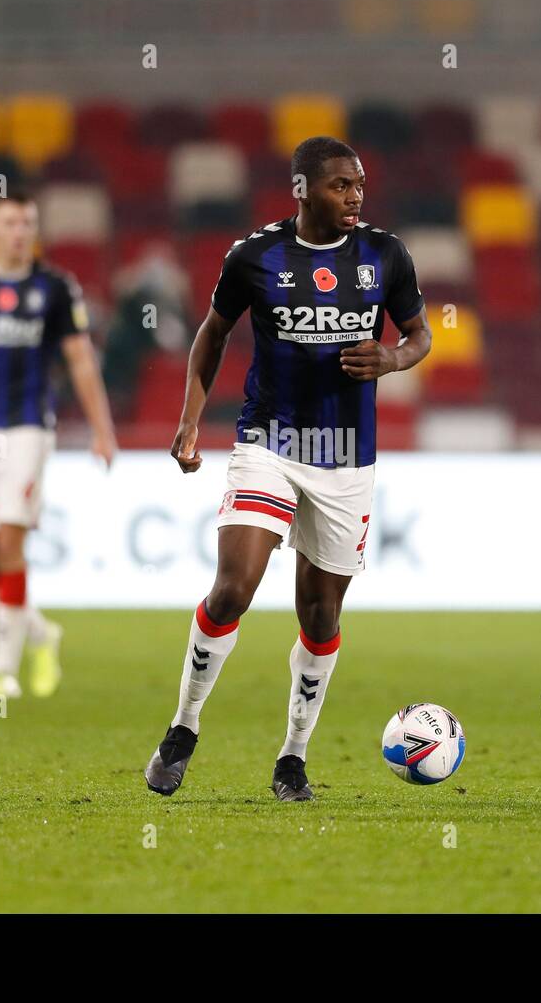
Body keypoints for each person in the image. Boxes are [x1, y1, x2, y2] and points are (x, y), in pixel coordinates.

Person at [144, 136, 431, 801]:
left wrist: (392, 359)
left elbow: (420, 336)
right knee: (233, 587)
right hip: (267, 444)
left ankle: (292, 758)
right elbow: (212, 333)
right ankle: (183, 727)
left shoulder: (386, 256)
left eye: (359, 185)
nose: (355, 196)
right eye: (340, 186)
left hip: (347, 462)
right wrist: (190, 418)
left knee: (321, 617)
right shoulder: (255, 257)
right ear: (304, 190)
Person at [0, 190, 117, 699]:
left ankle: (4, 671)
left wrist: (102, 429)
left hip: (29, 427)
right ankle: (41, 632)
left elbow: (80, 360)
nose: (20, 232)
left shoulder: (55, 288)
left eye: (28, 223)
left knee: (10, 543)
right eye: (11, 223)